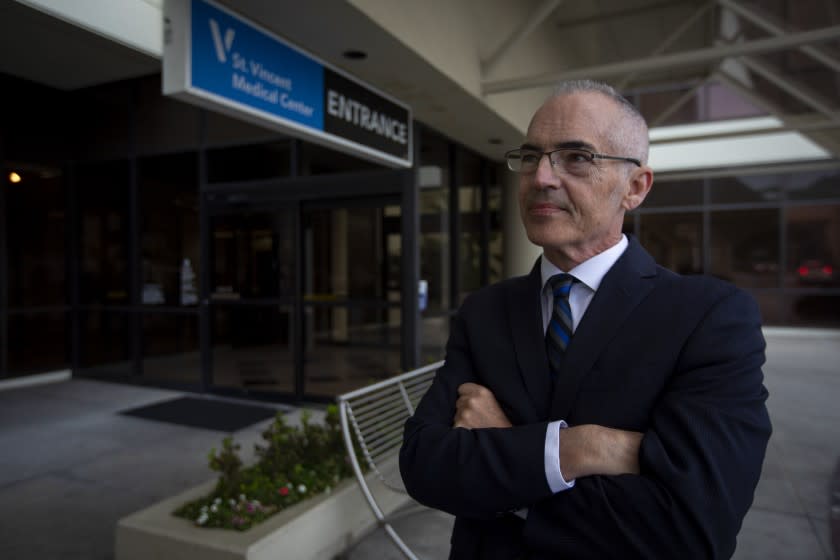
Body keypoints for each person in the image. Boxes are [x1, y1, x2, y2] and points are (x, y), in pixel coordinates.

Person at [399, 80, 771, 559]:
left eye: (576, 157)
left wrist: (510, 456)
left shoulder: (709, 317)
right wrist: (582, 448)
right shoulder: (485, 311)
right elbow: (423, 465)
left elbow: (691, 531)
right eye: (530, 157)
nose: (542, 177)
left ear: (635, 187)